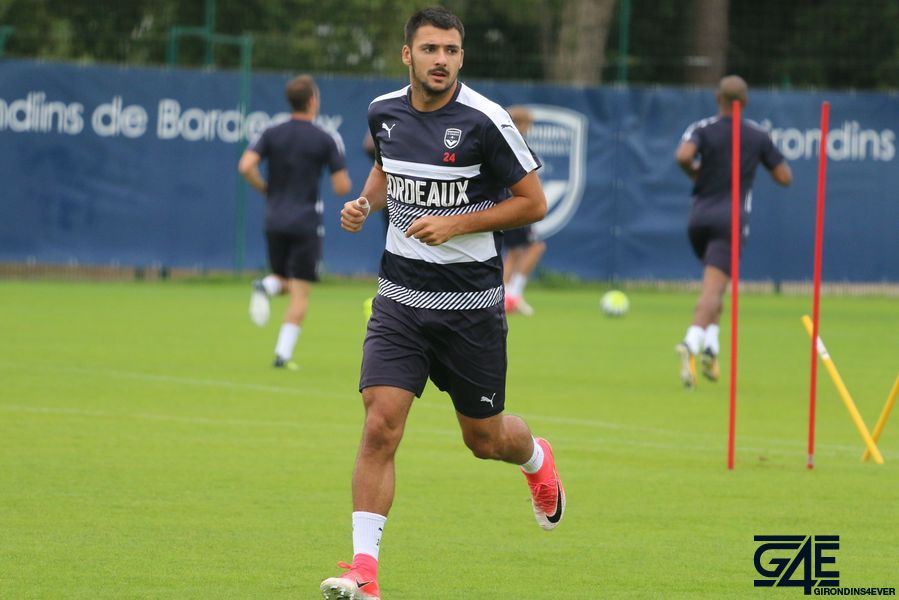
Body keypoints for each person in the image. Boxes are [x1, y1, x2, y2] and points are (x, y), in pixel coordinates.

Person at [320, 7, 565, 600]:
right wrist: (365, 204)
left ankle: (536, 459)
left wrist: (456, 224)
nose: (441, 60)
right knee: (380, 424)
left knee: (485, 440)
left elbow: (533, 203)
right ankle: (364, 571)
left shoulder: (487, 120)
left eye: (451, 51)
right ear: (407, 54)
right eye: (430, 49)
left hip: (470, 308)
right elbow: (385, 168)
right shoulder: (383, 111)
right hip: (399, 299)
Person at [674, 75, 792, 388]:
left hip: (699, 217)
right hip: (731, 219)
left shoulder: (702, 128)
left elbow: (683, 156)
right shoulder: (757, 135)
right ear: (746, 101)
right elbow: (784, 177)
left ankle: (711, 347)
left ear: (718, 98)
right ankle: (691, 341)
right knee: (713, 288)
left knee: (715, 282)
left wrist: (696, 172)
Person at [238, 74, 352, 369]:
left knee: (284, 280)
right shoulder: (326, 137)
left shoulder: (272, 131)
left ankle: (266, 286)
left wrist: (265, 188)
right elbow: (342, 187)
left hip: (274, 218)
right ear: (312, 100)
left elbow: (246, 166)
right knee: (301, 291)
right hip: (305, 222)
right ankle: (282, 356)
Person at [502, 105, 547, 316]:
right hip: (514, 204)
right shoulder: (511, 142)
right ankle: (512, 295)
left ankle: (507, 297)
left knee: (515, 252)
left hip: (506, 203)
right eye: (527, 124)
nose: (528, 129)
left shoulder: (503, 142)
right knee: (535, 247)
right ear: (519, 124)